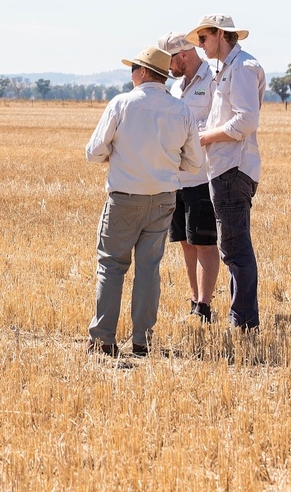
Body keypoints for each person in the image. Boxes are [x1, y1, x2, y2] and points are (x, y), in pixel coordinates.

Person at [83, 45, 203, 357]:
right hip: (163, 200)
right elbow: (194, 163)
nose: (132, 74)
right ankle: (142, 341)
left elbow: (93, 152)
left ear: (145, 72)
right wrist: (164, 162)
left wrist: (117, 154)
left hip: (124, 198)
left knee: (111, 266)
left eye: (133, 68)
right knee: (149, 269)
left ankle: (103, 340)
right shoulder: (181, 110)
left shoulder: (121, 104)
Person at [187, 14, 265, 331]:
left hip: (233, 167)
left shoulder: (243, 68)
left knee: (235, 248)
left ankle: (244, 322)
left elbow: (246, 122)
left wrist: (204, 138)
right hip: (224, 167)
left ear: (220, 34)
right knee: (231, 247)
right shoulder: (229, 68)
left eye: (203, 39)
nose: (201, 46)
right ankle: (241, 318)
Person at [159, 31, 220, 323]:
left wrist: (184, 134)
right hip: (177, 178)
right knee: (185, 241)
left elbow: (214, 123)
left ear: (183, 54)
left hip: (202, 177)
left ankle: (205, 308)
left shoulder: (213, 80)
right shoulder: (175, 88)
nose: (167, 68)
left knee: (205, 243)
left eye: (169, 59)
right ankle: (195, 300)